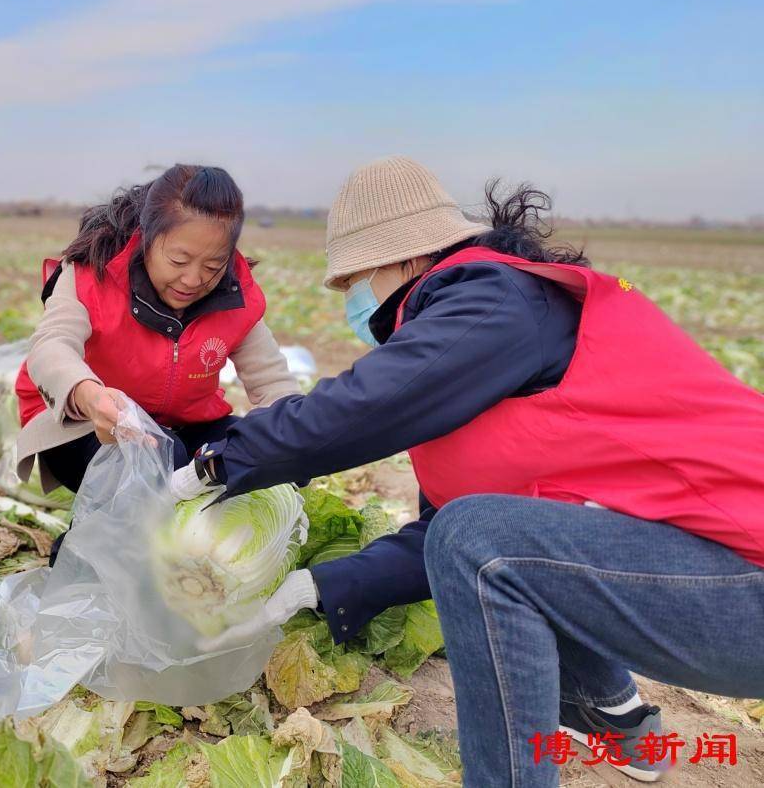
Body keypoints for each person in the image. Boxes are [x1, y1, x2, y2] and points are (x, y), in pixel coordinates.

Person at [177, 156, 764, 786]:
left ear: (405, 260)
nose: (353, 298)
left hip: (744, 583)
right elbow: (450, 533)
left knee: (479, 539)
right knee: (498, 537)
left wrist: (219, 460)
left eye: (356, 278)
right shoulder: (487, 338)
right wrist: (324, 586)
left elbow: (365, 407)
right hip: (706, 579)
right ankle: (612, 721)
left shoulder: (495, 300)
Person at [14, 164, 300, 509]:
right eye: (178, 260)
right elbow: (51, 346)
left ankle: (188, 551)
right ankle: (91, 553)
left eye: (212, 267)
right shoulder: (92, 272)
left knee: (248, 454)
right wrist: (90, 396)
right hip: (83, 424)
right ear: (147, 237)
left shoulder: (235, 295)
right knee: (162, 461)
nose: (193, 280)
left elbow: (273, 381)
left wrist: (295, 443)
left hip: (181, 425)